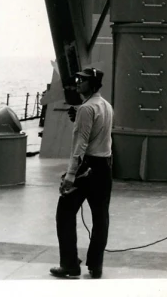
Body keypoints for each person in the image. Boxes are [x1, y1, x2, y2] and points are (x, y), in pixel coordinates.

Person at [50, 67, 114, 279]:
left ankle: (69, 265)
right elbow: (98, 134)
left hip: (86, 168)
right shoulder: (106, 106)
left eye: (83, 80)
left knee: (64, 213)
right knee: (100, 217)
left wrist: (70, 175)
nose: (78, 83)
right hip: (104, 167)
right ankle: (96, 266)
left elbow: (81, 144)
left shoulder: (86, 109)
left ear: (93, 84)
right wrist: (78, 117)